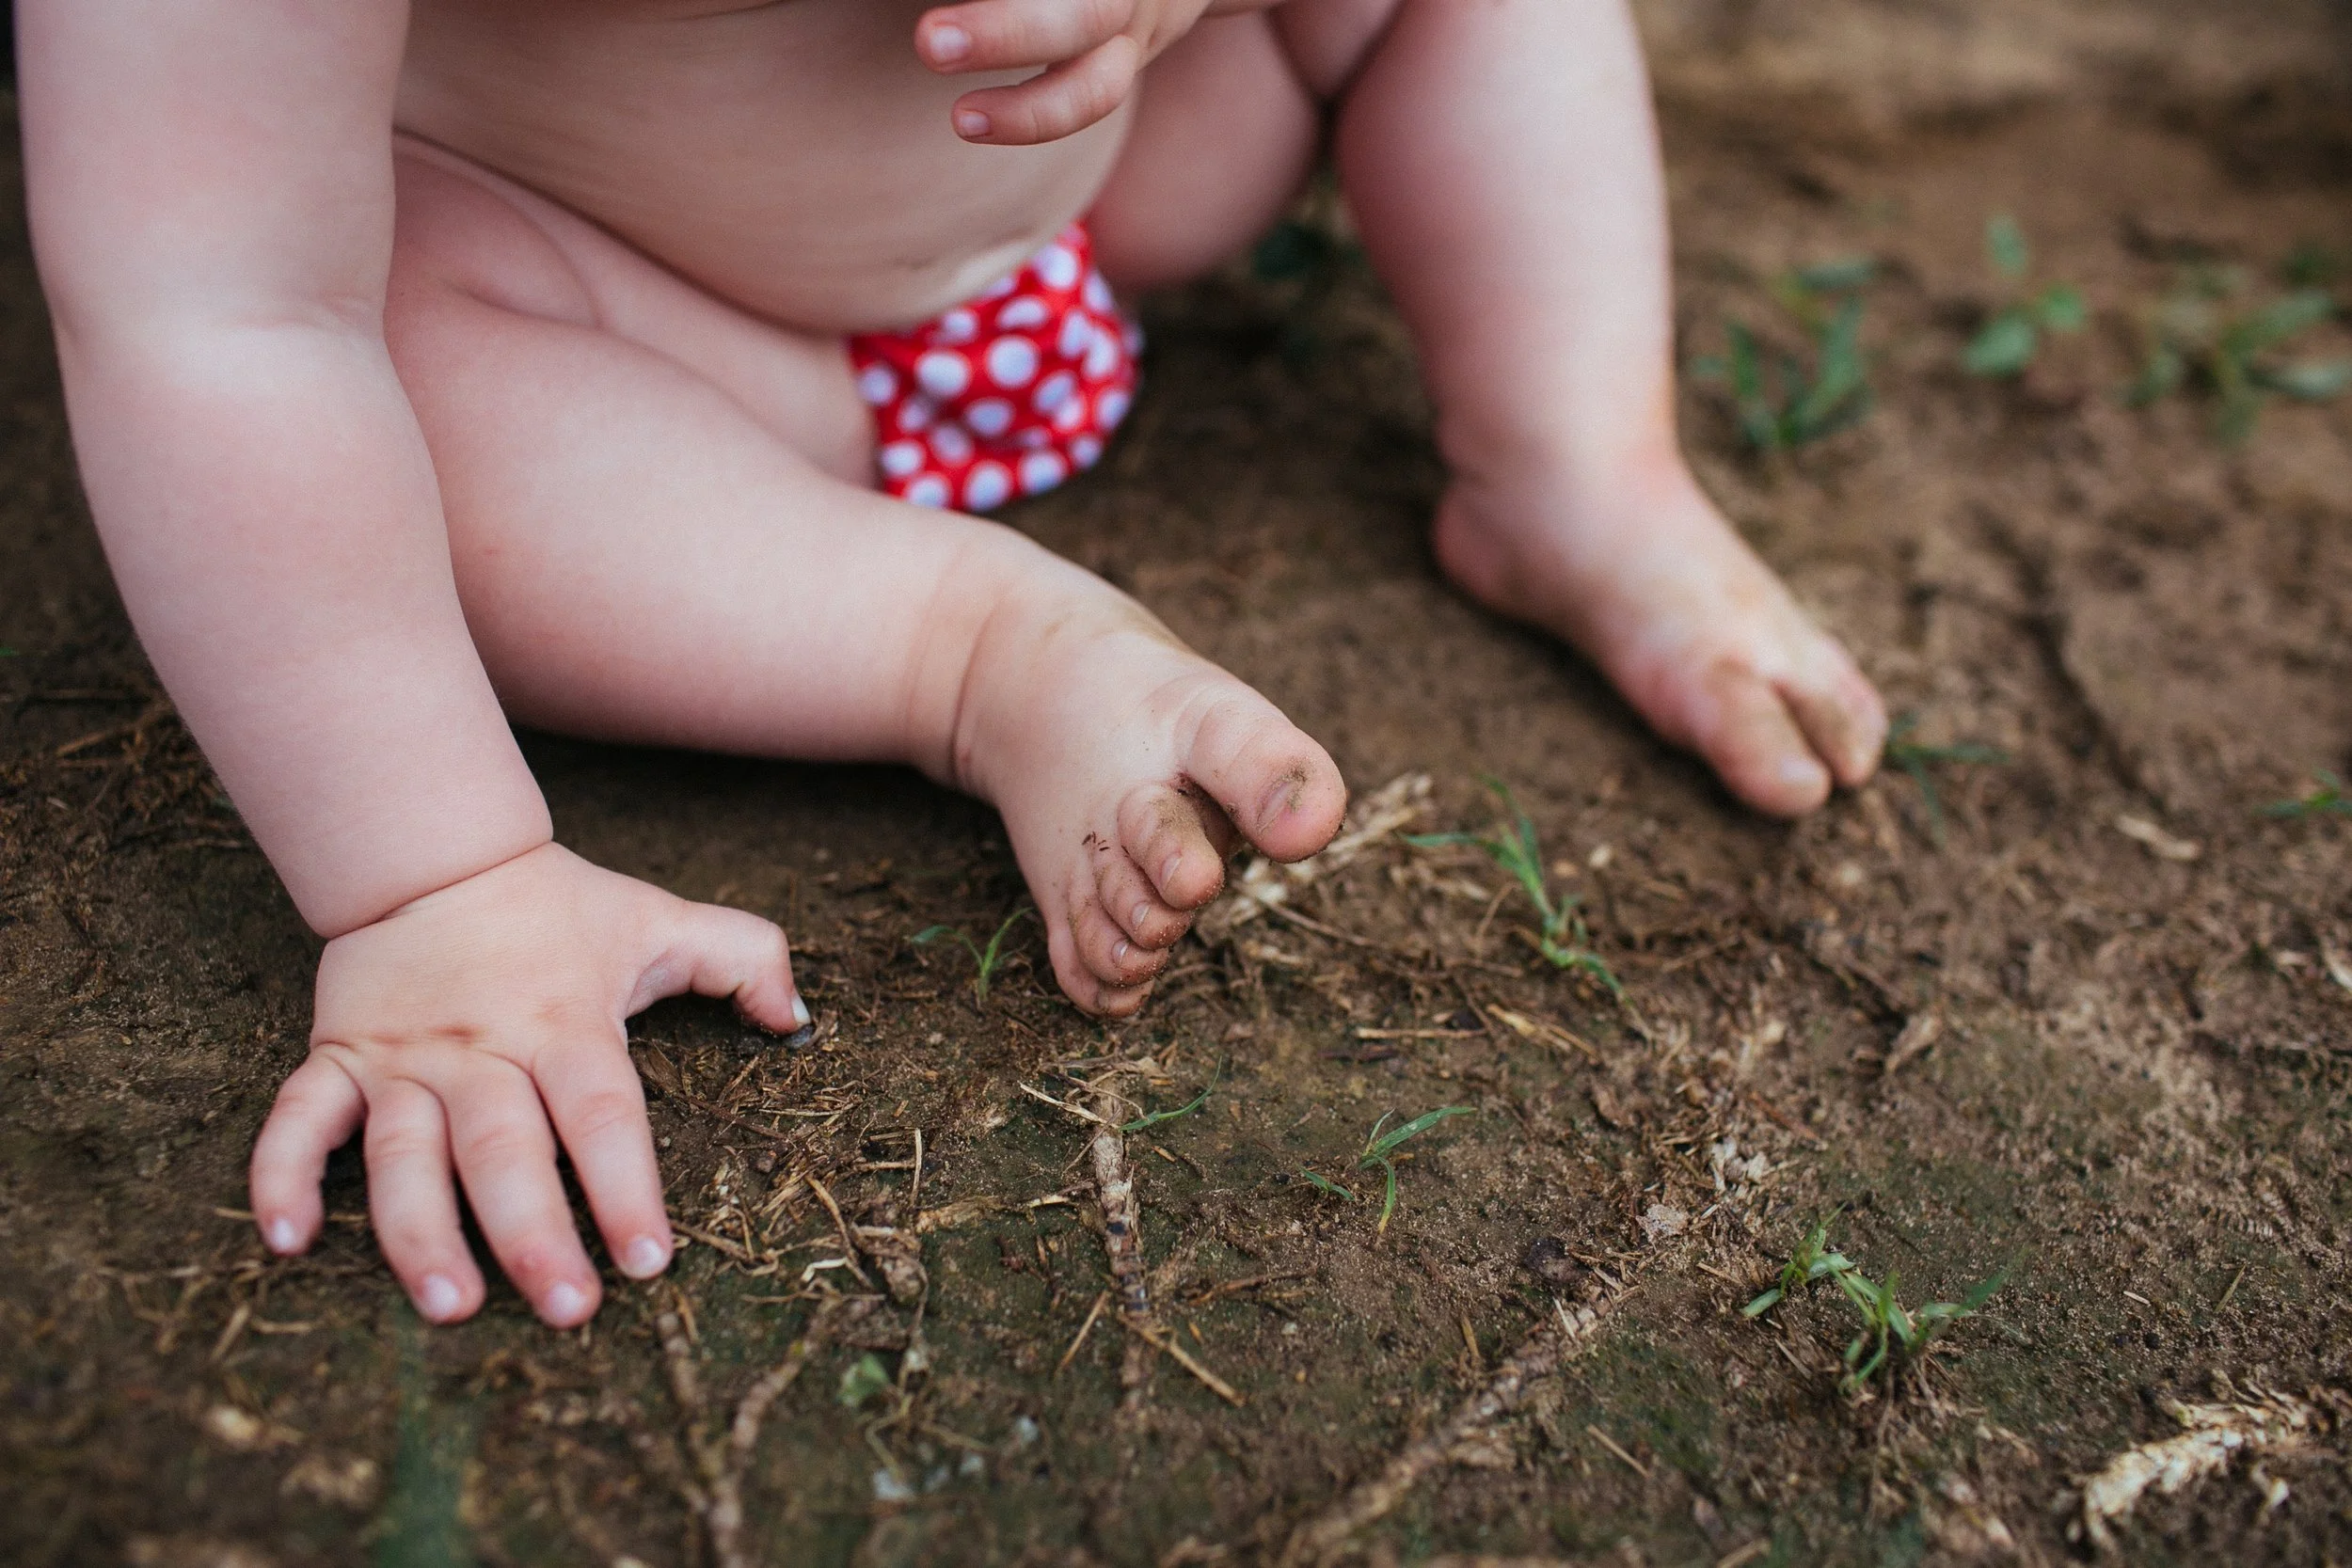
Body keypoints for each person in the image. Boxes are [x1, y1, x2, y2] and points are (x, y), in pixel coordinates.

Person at [18, 0, 1885, 1329]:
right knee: (377, 387)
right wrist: (432, 872)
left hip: (1107, 186)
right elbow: (223, 303)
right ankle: (965, 637)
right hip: (655, 333)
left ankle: (1569, 455)